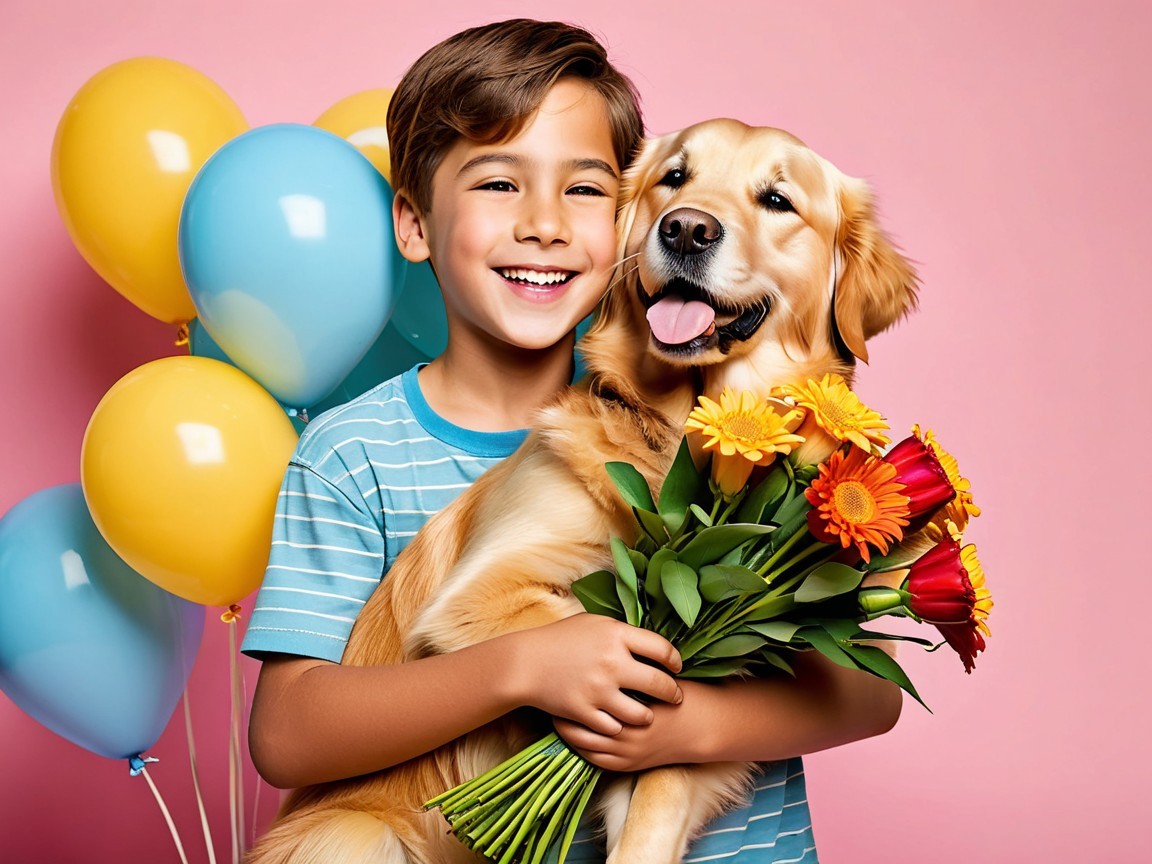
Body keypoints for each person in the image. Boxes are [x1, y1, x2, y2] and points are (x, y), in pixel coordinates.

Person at [243, 19, 902, 863]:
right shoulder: (353, 453)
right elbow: (288, 733)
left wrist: (681, 728)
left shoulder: (823, 473)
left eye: (587, 191)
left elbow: (868, 690)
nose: (546, 225)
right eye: (497, 184)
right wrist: (527, 665)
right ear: (413, 224)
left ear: (621, 223)